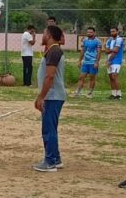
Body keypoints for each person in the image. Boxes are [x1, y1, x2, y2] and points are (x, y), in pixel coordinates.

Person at [33, 25, 66, 172]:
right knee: (50, 128)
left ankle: (50, 161)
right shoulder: (52, 50)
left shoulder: (54, 51)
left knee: (48, 129)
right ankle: (55, 158)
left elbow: (50, 76)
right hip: (51, 96)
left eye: (44, 33)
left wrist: (41, 97)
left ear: (49, 36)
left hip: (52, 96)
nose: (42, 35)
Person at [74, 27, 101, 98]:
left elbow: (99, 52)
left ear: (94, 33)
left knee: (92, 78)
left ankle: (90, 93)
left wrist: (97, 62)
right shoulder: (85, 40)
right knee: (81, 77)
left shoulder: (98, 41)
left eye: (91, 32)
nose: (89, 33)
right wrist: (79, 61)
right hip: (85, 62)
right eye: (88, 32)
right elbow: (82, 50)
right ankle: (77, 92)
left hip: (93, 62)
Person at [105, 27, 123, 100]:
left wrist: (109, 60)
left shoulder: (119, 39)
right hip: (109, 60)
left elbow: (115, 51)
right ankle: (113, 94)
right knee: (111, 77)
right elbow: (106, 51)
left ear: (117, 31)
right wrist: (112, 50)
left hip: (116, 61)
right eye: (111, 31)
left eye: (114, 31)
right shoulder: (109, 40)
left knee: (114, 76)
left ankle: (119, 95)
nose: (112, 33)